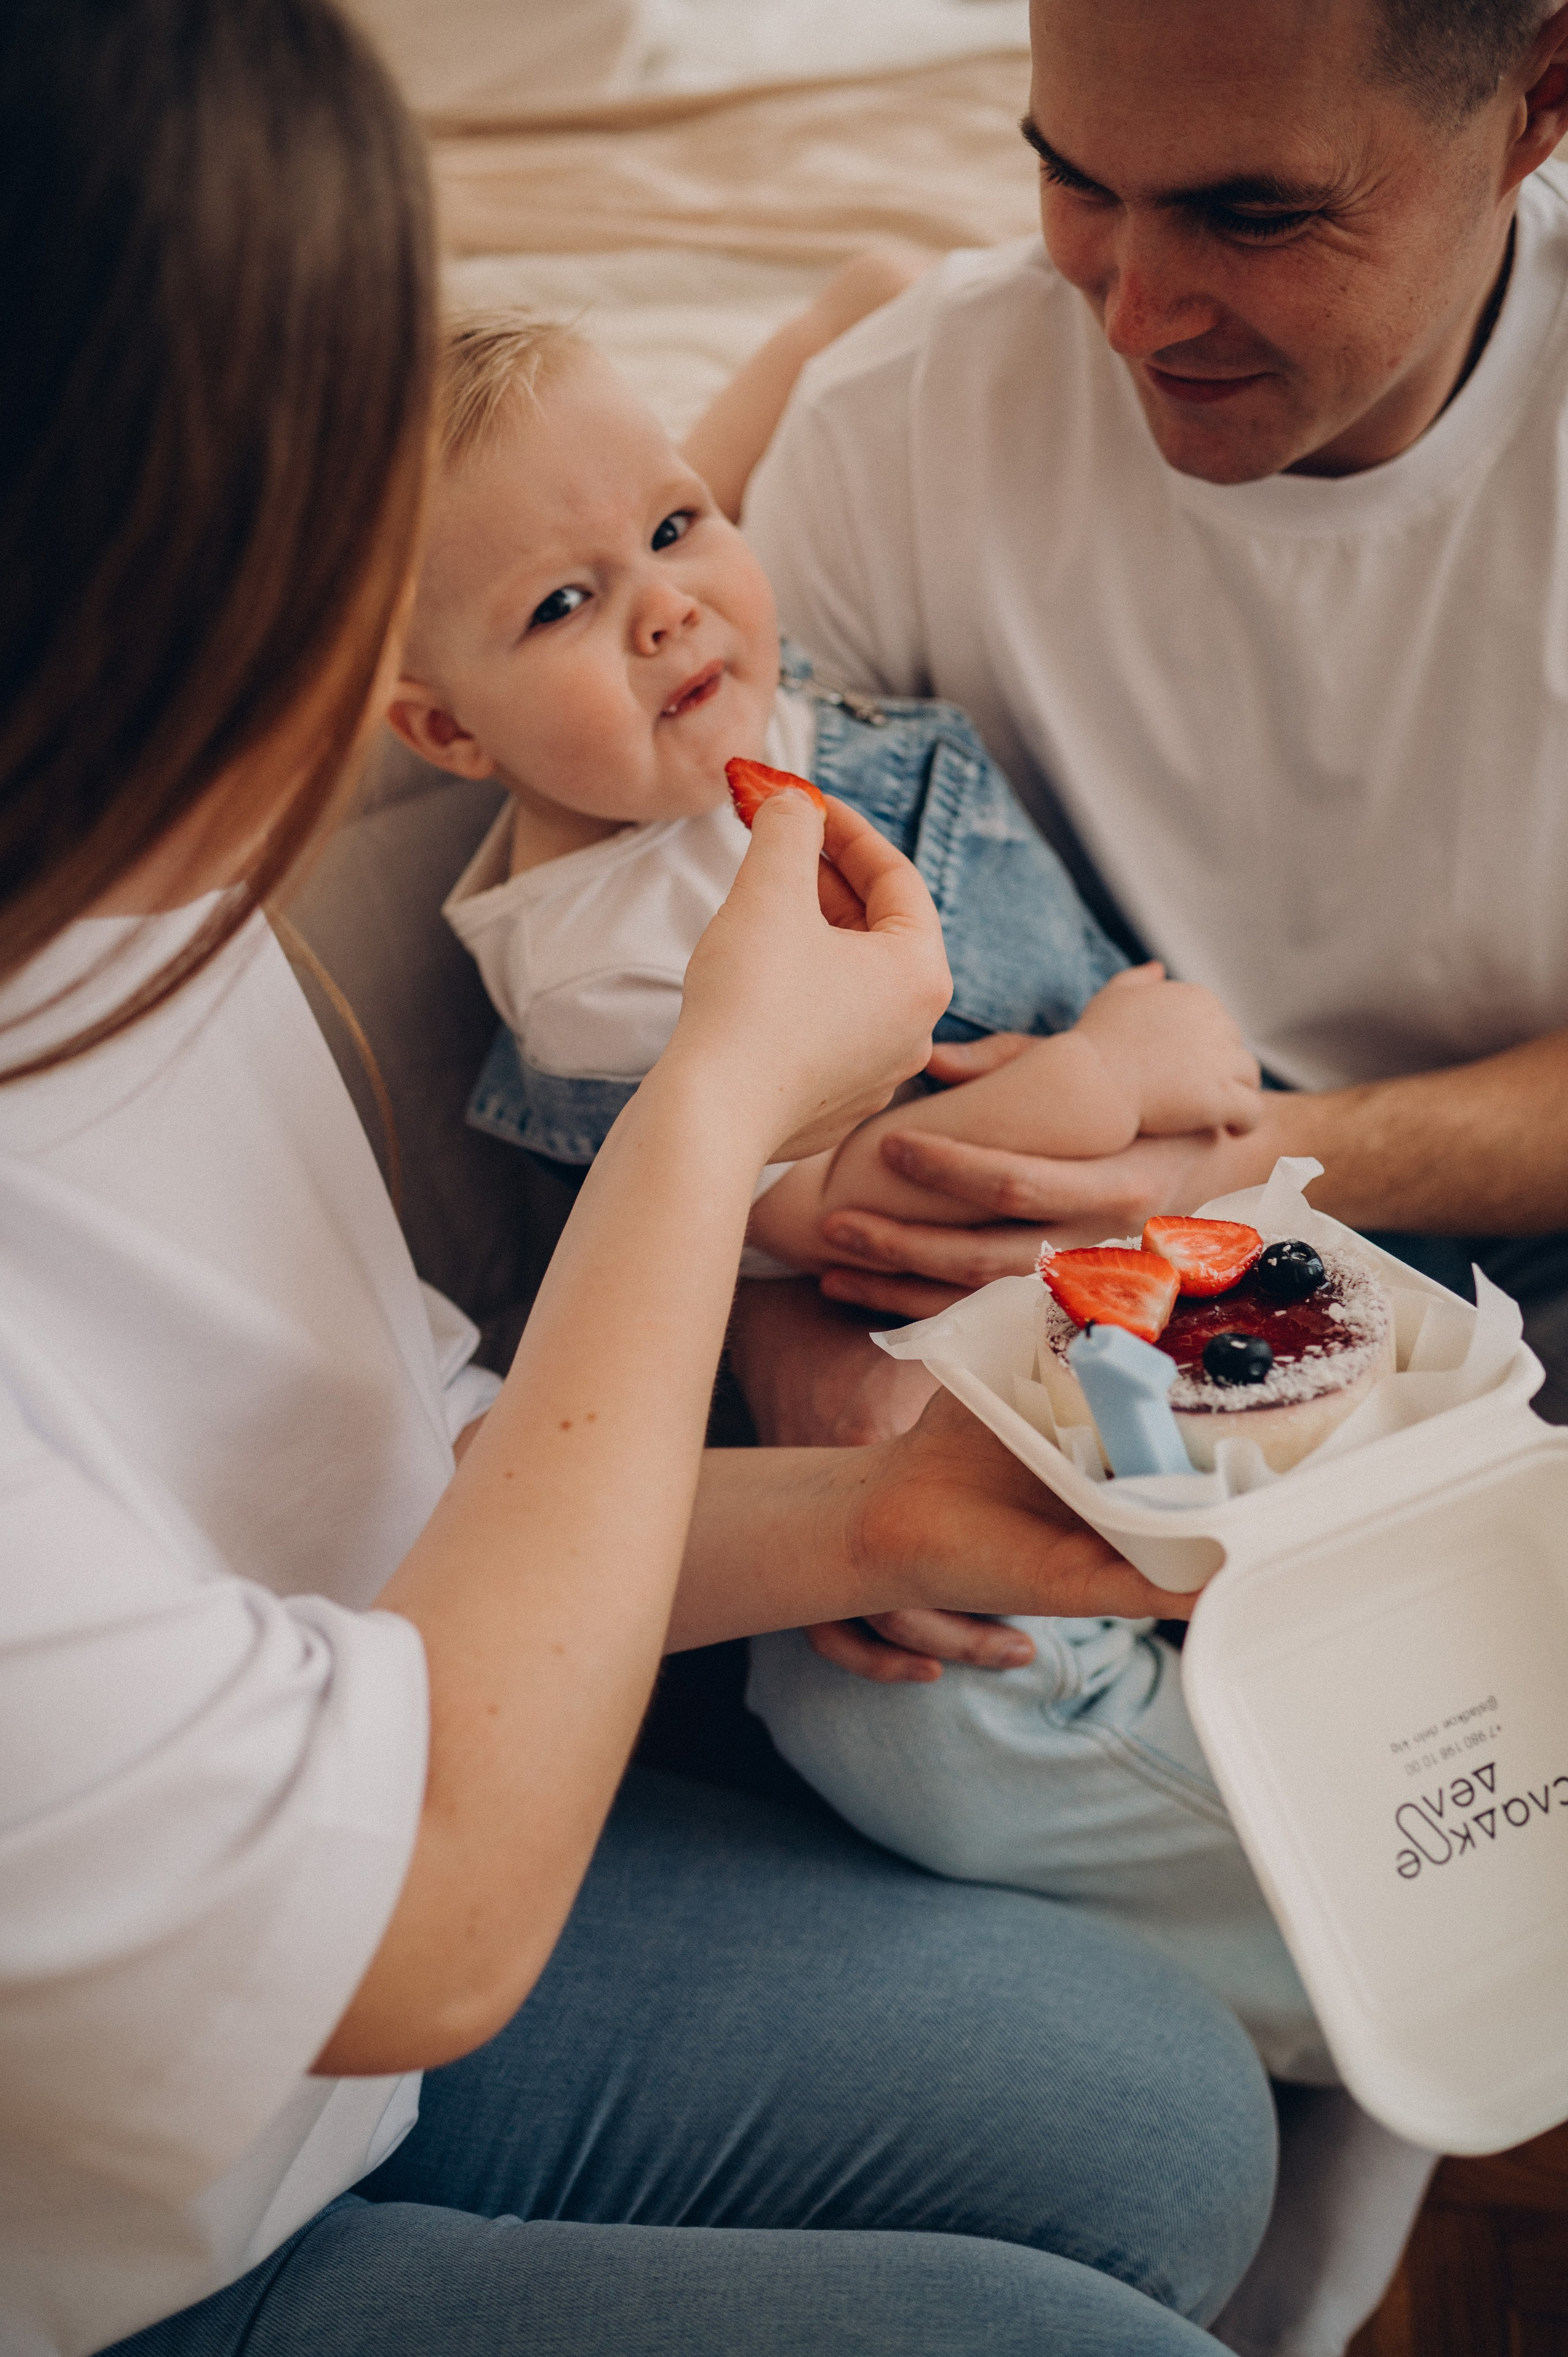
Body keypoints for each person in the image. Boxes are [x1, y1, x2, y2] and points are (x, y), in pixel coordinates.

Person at [0, 6, 1280, 2355]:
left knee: (1169, 2126)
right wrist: (718, 1117)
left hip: (344, 1946)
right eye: (301, 483)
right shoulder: (545, 937)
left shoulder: (129, 900)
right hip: (135, 2219)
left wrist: (882, 1525)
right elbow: (432, 1919)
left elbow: (405, 1484)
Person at [739, 0, 1568, 1492]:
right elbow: (724, 1013)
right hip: (1064, 1305)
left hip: (1521, 1238)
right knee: (898, 1727)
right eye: (1076, 184)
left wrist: (1239, 1169)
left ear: (1536, 103)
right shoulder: (893, 424)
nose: (1129, 316)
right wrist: (789, 1356)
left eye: (1251, 216)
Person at [391, 312, 1261, 1273]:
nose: (669, 606)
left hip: (1155, 1077)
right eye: (563, 603)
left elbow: (829, 325)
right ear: (451, 731)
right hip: (1008, 1266)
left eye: (674, 527)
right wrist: (1108, 1077)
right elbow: (833, 1207)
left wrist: (860, 299)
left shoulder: (707, 692)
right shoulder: (601, 972)